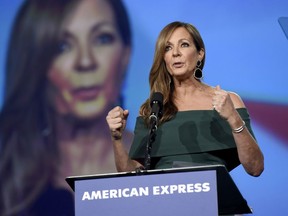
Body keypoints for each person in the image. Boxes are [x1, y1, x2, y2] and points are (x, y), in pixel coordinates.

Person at [0, 0, 132, 215]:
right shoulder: (7, 180)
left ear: (125, 56)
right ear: (34, 64)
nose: (86, 61)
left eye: (102, 38)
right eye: (61, 46)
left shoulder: (166, 167)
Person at [106, 21, 264, 178]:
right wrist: (117, 139)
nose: (175, 53)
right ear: (164, 58)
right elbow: (132, 177)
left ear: (200, 54)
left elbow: (255, 167)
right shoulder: (152, 109)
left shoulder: (229, 101)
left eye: (184, 45)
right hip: (166, 199)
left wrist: (234, 118)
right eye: (168, 48)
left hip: (216, 198)